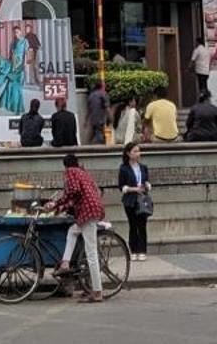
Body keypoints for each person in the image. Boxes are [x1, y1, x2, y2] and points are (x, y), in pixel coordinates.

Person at [51, 152, 106, 303]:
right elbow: (76, 196)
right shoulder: (83, 172)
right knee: (72, 231)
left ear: (66, 165)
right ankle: (65, 262)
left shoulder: (71, 172)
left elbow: (73, 191)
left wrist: (56, 204)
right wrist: (59, 206)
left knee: (91, 253)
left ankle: (97, 292)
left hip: (87, 212)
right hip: (93, 210)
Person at [117, 141, 153, 263]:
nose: (138, 153)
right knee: (133, 225)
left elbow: (147, 181)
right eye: (135, 151)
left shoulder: (143, 167)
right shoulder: (124, 168)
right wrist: (134, 189)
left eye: (139, 151)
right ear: (128, 153)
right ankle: (134, 250)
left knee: (142, 226)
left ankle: (142, 250)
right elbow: (121, 187)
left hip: (142, 199)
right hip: (130, 200)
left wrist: (146, 186)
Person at [86, 79, 111, 146]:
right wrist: (110, 118)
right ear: (102, 86)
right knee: (100, 139)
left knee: (91, 137)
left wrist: (86, 121)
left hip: (92, 121)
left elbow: (89, 110)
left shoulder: (91, 96)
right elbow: (107, 108)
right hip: (100, 121)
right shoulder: (103, 94)